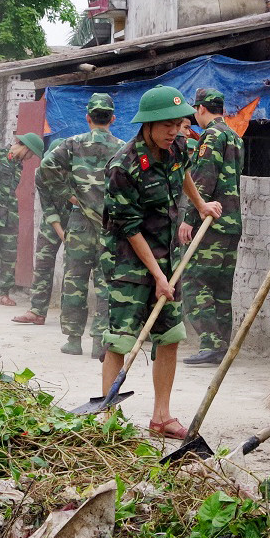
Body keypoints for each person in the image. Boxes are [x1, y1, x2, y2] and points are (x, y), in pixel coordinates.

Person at [100, 84, 221, 437]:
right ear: (148, 124)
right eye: (167, 125)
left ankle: (161, 416)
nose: (175, 131)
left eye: (179, 123)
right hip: (130, 262)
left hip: (169, 258)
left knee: (169, 335)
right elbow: (130, 228)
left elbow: (181, 171)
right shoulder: (123, 166)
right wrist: (156, 275)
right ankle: (107, 416)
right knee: (121, 339)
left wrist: (200, 205)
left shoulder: (177, 147)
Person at [39, 93, 124, 356]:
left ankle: (73, 340)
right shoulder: (123, 147)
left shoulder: (71, 144)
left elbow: (45, 167)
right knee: (106, 283)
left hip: (78, 223)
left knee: (74, 280)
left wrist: (67, 193)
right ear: (112, 118)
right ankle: (100, 341)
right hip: (109, 225)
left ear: (87, 117)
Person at [181, 88, 244, 366]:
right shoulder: (234, 136)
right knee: (221, 288)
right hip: (231, 223)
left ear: (202, 109)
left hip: (212, 223)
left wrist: (189, 218)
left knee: (194, 282)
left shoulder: (212, 136)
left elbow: (203, 178)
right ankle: (221, 347)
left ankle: (210, 343)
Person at [0, 133, 43, 306]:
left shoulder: (18, 166)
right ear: (25, 147)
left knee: (10, 254)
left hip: (10, 215)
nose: (30, 158)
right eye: (31, 154)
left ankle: (4, 293)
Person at [13, 131, 66, 328]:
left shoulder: (78, 175)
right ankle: (37, 311)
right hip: (52, 222)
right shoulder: (43, 173)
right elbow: (49, 207)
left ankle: (70, 316)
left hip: (78, 222)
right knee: (43, 262)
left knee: (74, 268)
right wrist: (61, 233)